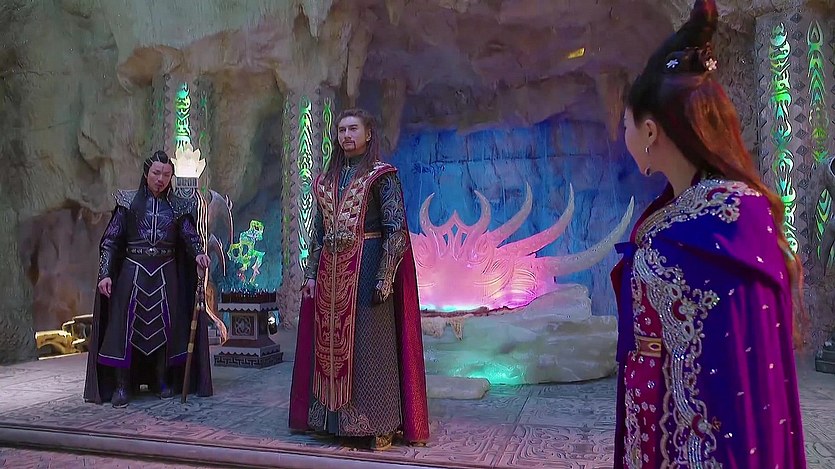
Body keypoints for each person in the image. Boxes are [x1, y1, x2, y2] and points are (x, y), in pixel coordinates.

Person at [610, 0, 807, 467]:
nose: (624, 134)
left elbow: (725, 377)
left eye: (625, 124)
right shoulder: (721, 216)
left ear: (650, 132)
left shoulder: (699, 232)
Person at [288, 108, 430, 450]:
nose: (346, 136)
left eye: (353, 129)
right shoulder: (325, 181)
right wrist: (311, 273)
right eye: (341, 130)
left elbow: (396, 231)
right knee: (328, 345)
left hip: (367, 267)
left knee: (371, 346)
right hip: (330, 273)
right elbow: (318, 232)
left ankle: (380, 423)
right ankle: (330, 420)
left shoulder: (382, 176)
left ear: (368, 134)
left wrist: (385, 274)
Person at [84, 150, 213, 408]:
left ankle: (161, 380)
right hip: (132, 271)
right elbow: (110, 240)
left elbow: (189, 234)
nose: (160, 179)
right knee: (124, 329)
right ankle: (121, 385)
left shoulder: (178, 205)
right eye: (156, 173)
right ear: (146, 173)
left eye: (166, 175)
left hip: (166, 271)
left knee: (166, 328)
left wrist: (199, 253)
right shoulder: (128, 202)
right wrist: (105, 274)